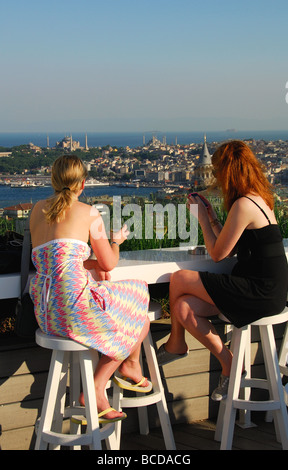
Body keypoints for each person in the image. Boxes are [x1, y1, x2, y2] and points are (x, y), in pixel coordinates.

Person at [156, 140, 288, 401]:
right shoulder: (259, 199)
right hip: (267, 290)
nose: (215, 176)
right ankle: (230, 363)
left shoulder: (244, 204)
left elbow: (218, 255)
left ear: (228, 171)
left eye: (217, 170)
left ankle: (176, 343)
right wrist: (213, 217)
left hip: (259, 291)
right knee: (183, 307)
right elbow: (235, 247)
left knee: (180, 278)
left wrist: (202, 219)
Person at [29, 154, 151, 423]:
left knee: (135, 318)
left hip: (47, 315)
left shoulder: (37, 210)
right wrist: (116, 241)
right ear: (82, 184)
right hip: (73, 311)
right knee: (140, 302)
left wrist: (88, 262)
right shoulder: (89, 212)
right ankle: (98, 386)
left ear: (53, 180)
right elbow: (109, 263)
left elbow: (60, 257)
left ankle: (128, 368)